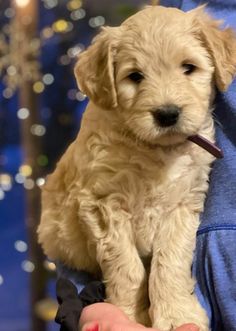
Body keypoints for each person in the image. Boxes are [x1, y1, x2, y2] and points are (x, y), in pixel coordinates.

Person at [55, 1, 236, 330]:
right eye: (135, 76)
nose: (166, 102)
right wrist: (90, 302)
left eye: (188, 69)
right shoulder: (178, 12)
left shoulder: (205, 32)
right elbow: (85, 203)